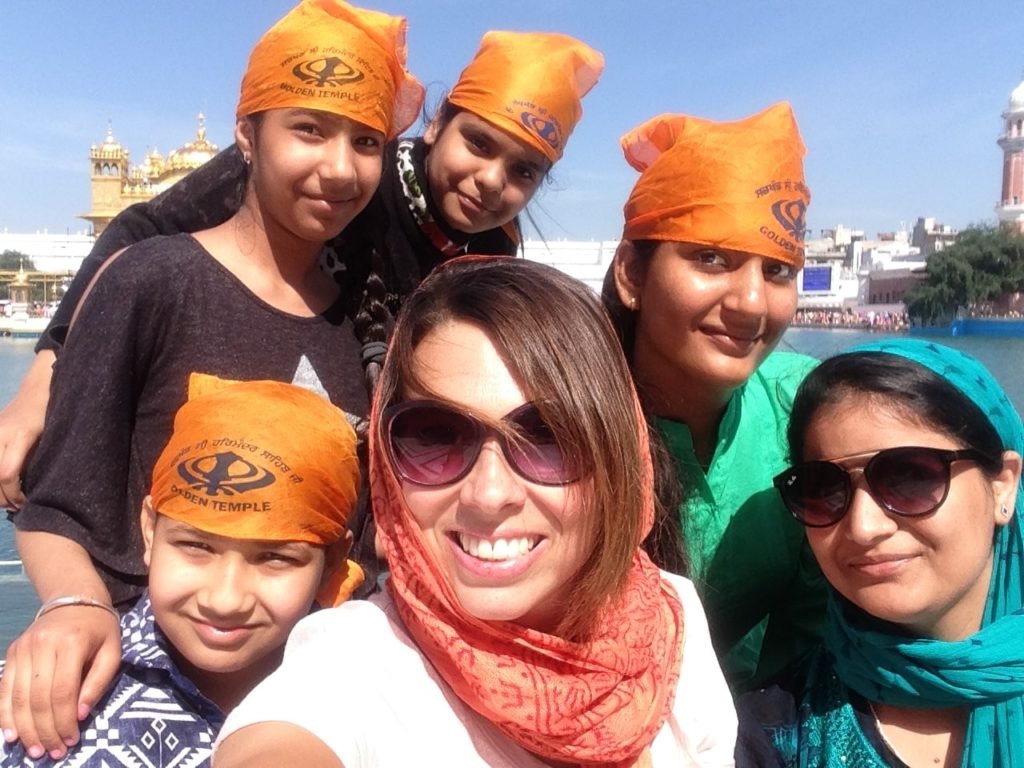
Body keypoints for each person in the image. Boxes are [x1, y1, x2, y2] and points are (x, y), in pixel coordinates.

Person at [1, 0, 422, 759]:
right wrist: (71, 604)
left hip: (311, 699)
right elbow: (59, 502)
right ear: (245, 136)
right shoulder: (152, 282)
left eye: (365, 142)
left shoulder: (366, 329)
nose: (338, 167)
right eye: (308, 130)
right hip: (144, 688)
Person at [0, 28, 604, 515]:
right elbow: (139, 230)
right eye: (477, 143)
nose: (491, 180)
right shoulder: (352, 168)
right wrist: (43, 381)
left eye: (524, 171)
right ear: (436, 124)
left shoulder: (494, 249)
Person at [213, 257, 737, 767]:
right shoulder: (356, 664)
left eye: (549, 437)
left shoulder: (669, 617)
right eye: (433, 434)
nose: (487, 495)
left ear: (617, 458)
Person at [1, 376, 362, 765]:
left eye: (275, 558)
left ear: (333, 563)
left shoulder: (371, 700)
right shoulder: (35, 691)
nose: (224, 600)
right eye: (196, 546)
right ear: (150, 532)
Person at [602, 102, 824, 691]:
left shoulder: (811, 410)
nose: (751, 302)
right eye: (710, 258)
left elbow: (815, 630)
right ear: (631, 274)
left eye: (777, 271)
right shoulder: (562, 424)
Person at [737, 338, 1024, 767]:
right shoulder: (771, 732)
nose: (863, 526)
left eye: (909, 476)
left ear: (1003, 483)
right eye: (822, 488)